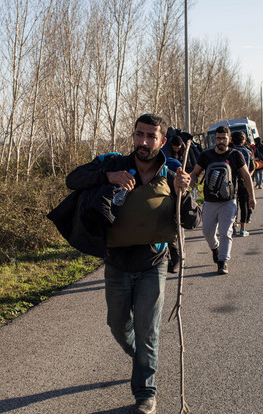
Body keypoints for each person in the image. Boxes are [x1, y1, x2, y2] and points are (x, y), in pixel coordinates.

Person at [65, 113, 200, 414]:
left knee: (147, 330)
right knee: (117, 324)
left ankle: (145, 393)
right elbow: (72, 179)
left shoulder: (174, 169)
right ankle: (141, 357)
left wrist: (184, 193)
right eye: (139, 134)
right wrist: (107, 177)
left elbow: (192, 220)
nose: (143, 141)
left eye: (151, 136)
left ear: (162, 141)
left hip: (153, 263)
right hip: (116, 264)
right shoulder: (113, 163)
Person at [190, 125, 255, 275]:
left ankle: (223, 261)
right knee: (207, 232)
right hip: (210, 201)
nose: (221, 141)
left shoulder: (235, 155)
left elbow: (246, 176)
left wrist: (252, 197)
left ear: (229, 139)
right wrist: (192, 181)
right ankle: (215, 248)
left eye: (224, 138)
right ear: (215, 139)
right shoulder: (206, 155)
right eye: (218, 138)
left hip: (229, 201)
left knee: (226, 232)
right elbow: (195, 173)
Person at [231, 131, 253, 237]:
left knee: (233, 204)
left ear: (231, 140)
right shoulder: (247, 152)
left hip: (232, 181)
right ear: (244, 140)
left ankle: (233, 227)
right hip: (244, 180)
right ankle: (243, 229)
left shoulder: (230, 152)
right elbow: (249, 168)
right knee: (244, 205)